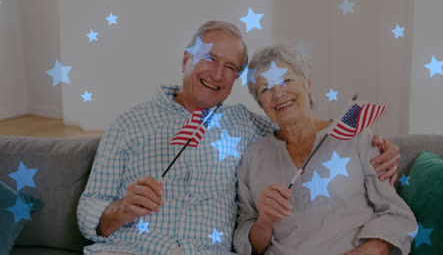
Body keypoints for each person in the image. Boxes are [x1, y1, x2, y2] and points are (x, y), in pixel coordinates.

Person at [77, 21, 401, 255]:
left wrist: (374, 142)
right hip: (131, 250)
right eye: (210, 58)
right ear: (185, 59)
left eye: (230, 67)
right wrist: (121, 210)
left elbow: (298, 128)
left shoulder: (248, 128)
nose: (218, 74)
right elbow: (89, 209)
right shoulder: (129, 123)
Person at [233, 46, 417, 255]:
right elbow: (242, 243)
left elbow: (398, 215)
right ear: (259, 102)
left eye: (286, 81)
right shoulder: (252, 157)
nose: (278, 94)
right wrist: (264, 222)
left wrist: (372, 249)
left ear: (308, 83)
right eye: (265, 89)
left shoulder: (355, 137)